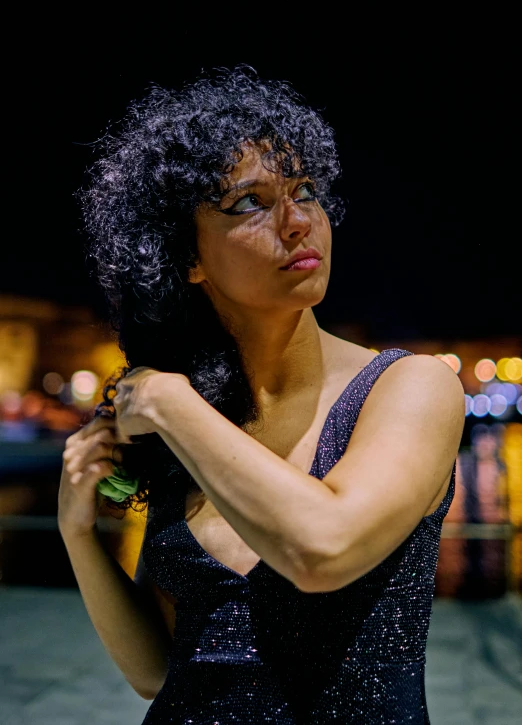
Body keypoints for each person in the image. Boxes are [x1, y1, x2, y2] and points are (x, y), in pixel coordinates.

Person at [58, 65, 465, 723]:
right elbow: (157, 669)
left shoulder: (409, 387)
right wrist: (77, 533)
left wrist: (164, 400)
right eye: (249, 201)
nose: (297, 220)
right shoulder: (198, 419)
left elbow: (321, 547)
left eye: (304, 190)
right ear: (185, 256)